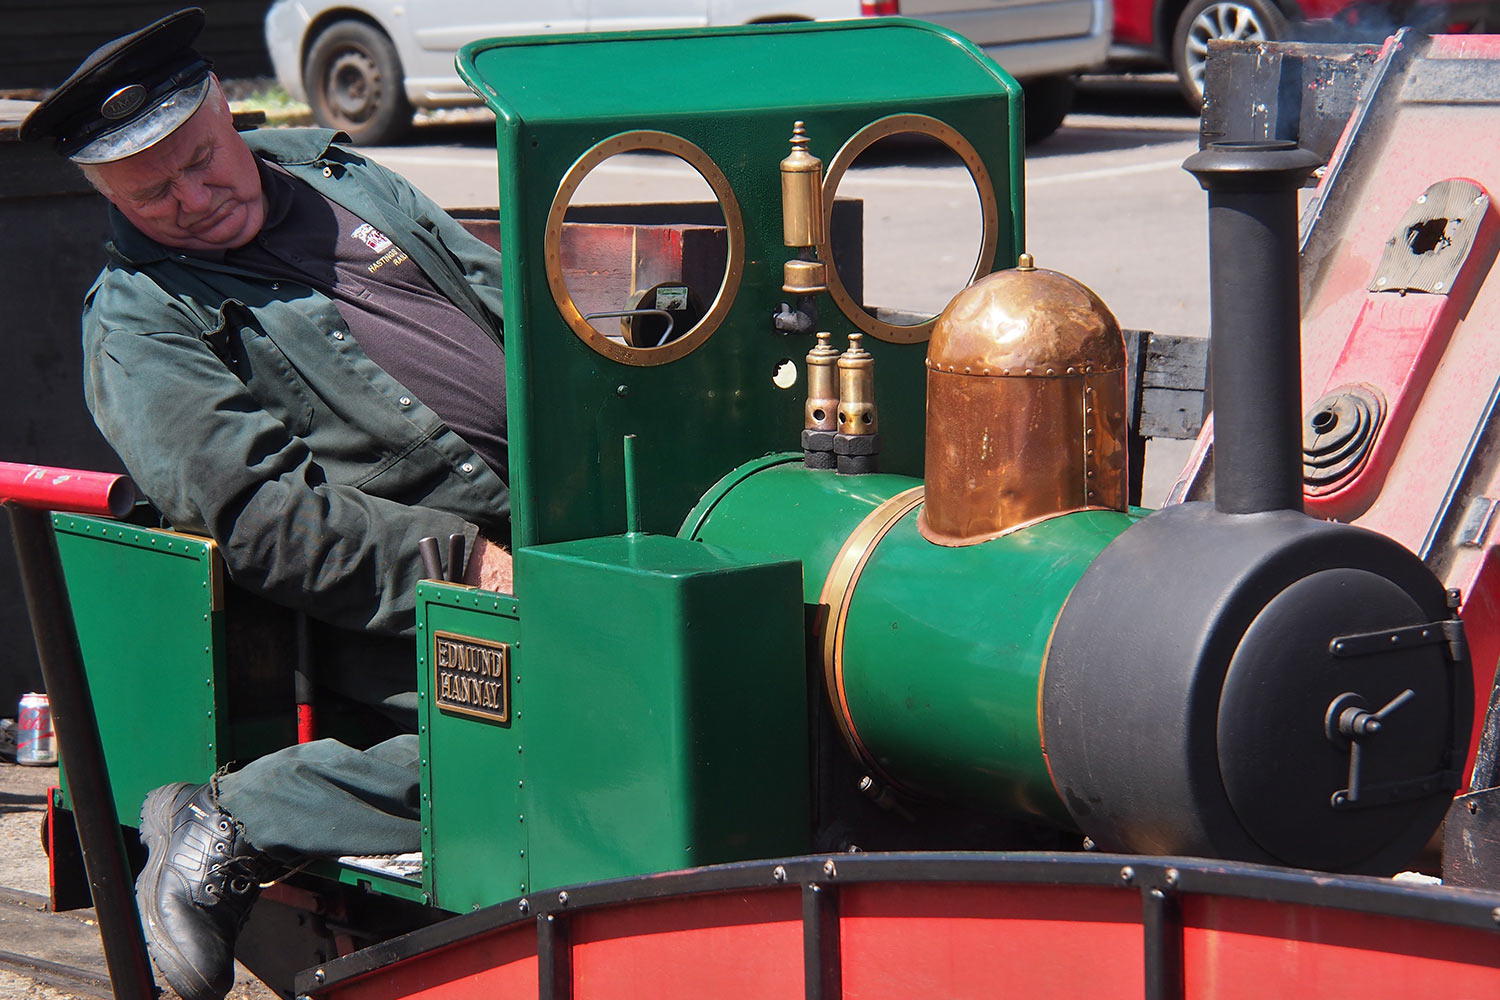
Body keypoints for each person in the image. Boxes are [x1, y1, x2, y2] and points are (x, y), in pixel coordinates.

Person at [21, 9, 514, 1000]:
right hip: (406, 608)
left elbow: (493, 291)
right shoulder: (138, 323)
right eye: (152, 193)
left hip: (568, 520)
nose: (194, 198)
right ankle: (237, 818)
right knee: (608, 726)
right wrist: (467, 565)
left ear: (227, 110)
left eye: (203, 160)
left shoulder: (340, 175)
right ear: (104, 193)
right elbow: (261, 520)